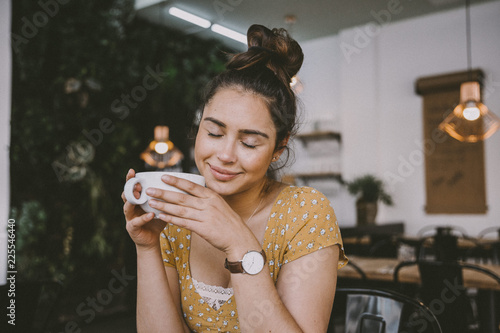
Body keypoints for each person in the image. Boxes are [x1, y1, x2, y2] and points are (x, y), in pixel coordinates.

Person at [123, 24, 348, 333]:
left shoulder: (305, 214)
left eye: (249, 142)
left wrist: (238, 242)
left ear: (278, 150)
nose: (225, 154)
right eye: (214, 132)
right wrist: (147, 247)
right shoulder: (177, 217)